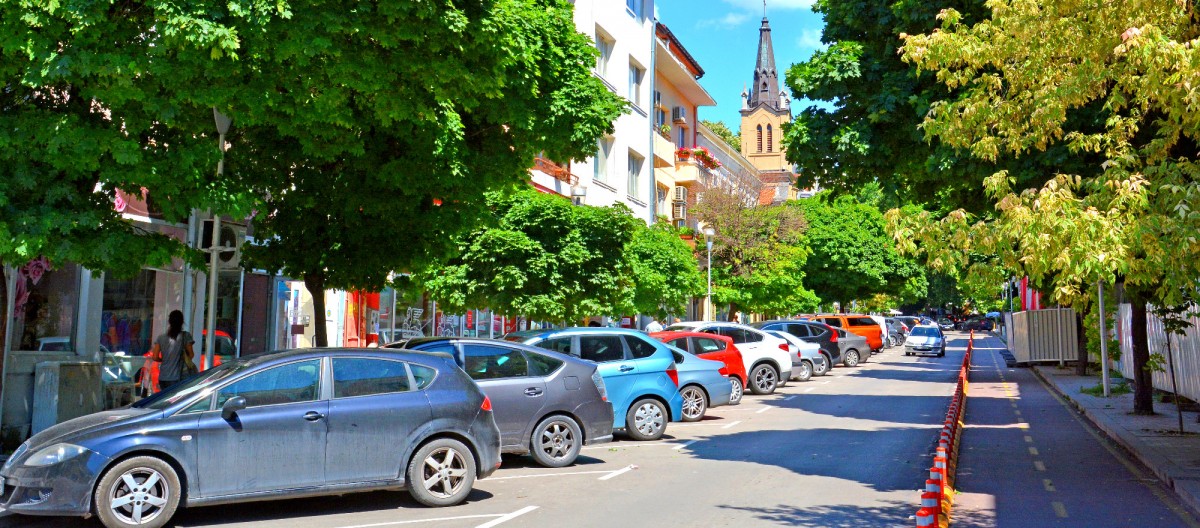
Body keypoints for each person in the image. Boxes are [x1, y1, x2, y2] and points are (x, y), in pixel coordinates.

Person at [150, 310, 196, 392]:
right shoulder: (185, 336)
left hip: (163, 377)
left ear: (169, 322)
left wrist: (163, 360)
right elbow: (191, 355)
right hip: (178, 377)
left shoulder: (161, 338)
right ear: (182, 322)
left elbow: (155, 357)